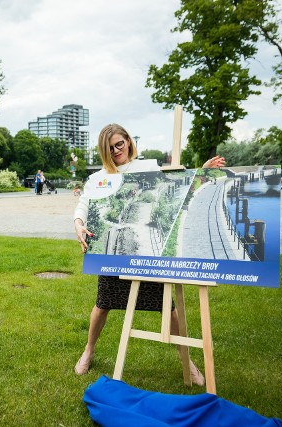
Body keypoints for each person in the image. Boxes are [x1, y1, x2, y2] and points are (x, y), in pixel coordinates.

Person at [73, 123, 225, 383]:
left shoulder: (149, 168)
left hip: (149, 255)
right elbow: (83, 205)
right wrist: (78, 224)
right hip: (115, 257)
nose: (116, 151)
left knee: (169, 307)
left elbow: (178, 189)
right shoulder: (98, 178)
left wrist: (203, 172)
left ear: (129, 142)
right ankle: (88, 351)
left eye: (119, 144)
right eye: (109, 149)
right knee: (103, 304)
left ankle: (187, 362)